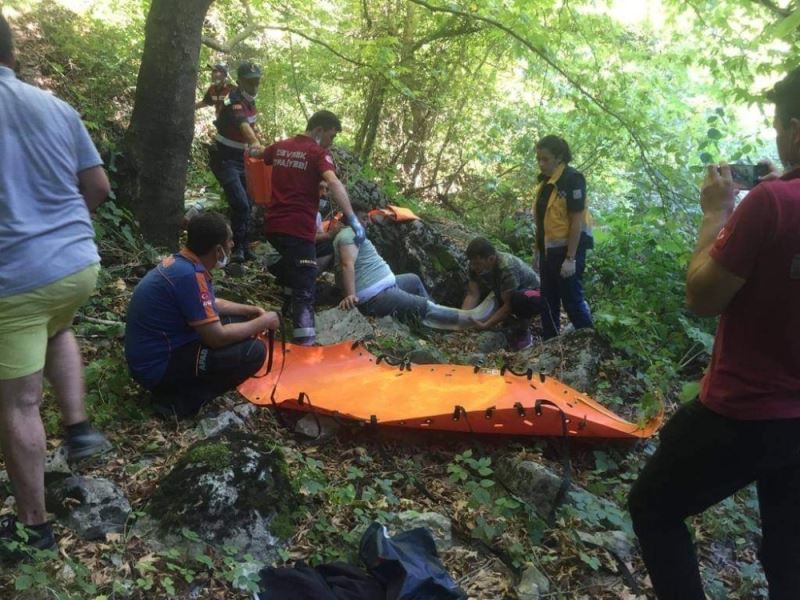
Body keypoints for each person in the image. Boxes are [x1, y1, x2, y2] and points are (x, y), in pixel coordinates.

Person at [628, 67, 800, 600]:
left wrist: (717, 212)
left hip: (745, 410)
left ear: (795, 130)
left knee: (653, 506)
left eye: (779, 127)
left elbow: (701, 298)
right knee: (789, 558)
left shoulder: (772, 203)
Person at [0, 13, 111, 561]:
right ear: (12, 53)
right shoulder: (56, 106)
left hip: (14, 279)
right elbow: (98, 186)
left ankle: (34, 528)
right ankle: (78, 425)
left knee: (18, 404)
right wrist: (63, 229)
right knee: (58, 324)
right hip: (76, 263)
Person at [125, 213, 279, 419]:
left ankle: (182, 390)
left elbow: (210, 304)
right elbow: (217, 338)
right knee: (254, 352)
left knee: (240, 322)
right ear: (218, 250)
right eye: (230, 240)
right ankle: (178, 403)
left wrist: (250, 310)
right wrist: (264, 322)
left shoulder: (183, 263)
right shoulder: (189, 275)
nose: (233, 244)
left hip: (158, 352)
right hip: (157, 367)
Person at [260, 110, 365, 345]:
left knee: (296, 267)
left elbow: (261, 154)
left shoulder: (281, 146)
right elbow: (333, 182)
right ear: (318, 130)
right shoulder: (318, 153)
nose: (331, 142)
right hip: (298, 228)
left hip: (274, 225)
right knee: (306, 287)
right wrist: (352, 217)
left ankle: (286, 313)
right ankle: (305, 344)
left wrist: (252, 147)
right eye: (331, 136)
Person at [533, 135, 593, 339]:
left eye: (545, 159)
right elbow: (543, 221)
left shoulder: (572, 179)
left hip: (568, 250)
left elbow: (576, 221)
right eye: (538, 159)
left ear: (558, 157)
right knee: (548, 301)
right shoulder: (546, 182)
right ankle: (550, 343)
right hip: (548, 251)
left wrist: (570, 258)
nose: (541, 163)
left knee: (571, 300)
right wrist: (537, 251)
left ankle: (588, 343)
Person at [333, 201, 431, 321]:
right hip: (376, 297)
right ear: (351, 219)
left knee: (414, 280)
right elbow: (347, 264)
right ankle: (449, 321)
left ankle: (426, 321)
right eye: (364, 218)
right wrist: (351, 295)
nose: (368, 222)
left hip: (384, 287)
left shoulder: (354, 233)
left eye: (367, 218)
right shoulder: (348, 235)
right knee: (428, 307)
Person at [210, 61, 263, 263]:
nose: (254, 86)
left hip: (242, 160)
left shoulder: (251, 103)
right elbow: (244, 127)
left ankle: (243, 246)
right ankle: (232, 249)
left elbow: (251, 126)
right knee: (240, 203)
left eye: (257, 82)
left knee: (248, 202)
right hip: (225, 159)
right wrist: (256, 144)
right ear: (240, 82)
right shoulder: (234, 101)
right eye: (250, 82)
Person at [461, 238, 542, 351]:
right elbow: (473, 294)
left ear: (491, 259)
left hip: (535, 295)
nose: (474, 267)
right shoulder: (475, 266)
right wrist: (462, 317)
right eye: (472, 263)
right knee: (499, 295)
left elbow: (508, 305)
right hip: (507, 292)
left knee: (517, 299)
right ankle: (510, 322)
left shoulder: (507, 267)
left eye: (477, 264)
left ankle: (523, 331)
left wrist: (486, 325)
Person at [315, 181, 335, 272]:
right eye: (320, 188)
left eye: (326, 189)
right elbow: (304, 238)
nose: (324, 193)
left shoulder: (317, 215)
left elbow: (320, 236)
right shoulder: (300, 208)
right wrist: (330, 234)